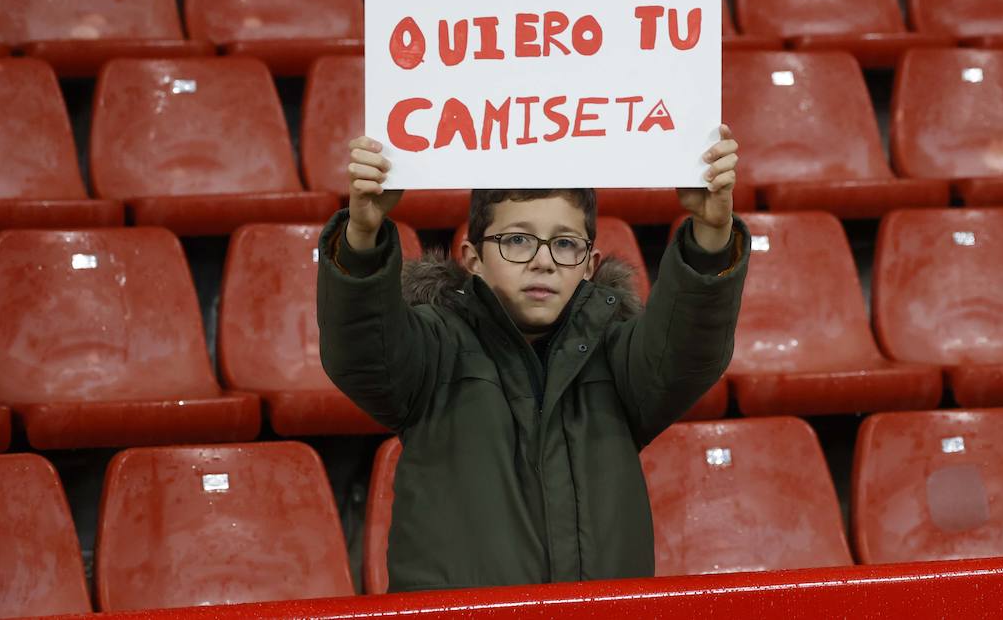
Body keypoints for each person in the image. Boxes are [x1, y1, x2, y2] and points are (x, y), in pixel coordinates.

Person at [316, 127, 749, 592]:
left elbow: (687, 349)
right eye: (517, 241)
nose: (543, 261)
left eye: (565, 244)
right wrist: (362, 234)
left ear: (589, 263)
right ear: (473, 257)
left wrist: (711, 235)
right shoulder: (432, 351)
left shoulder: (621, 361)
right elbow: (361, 348)